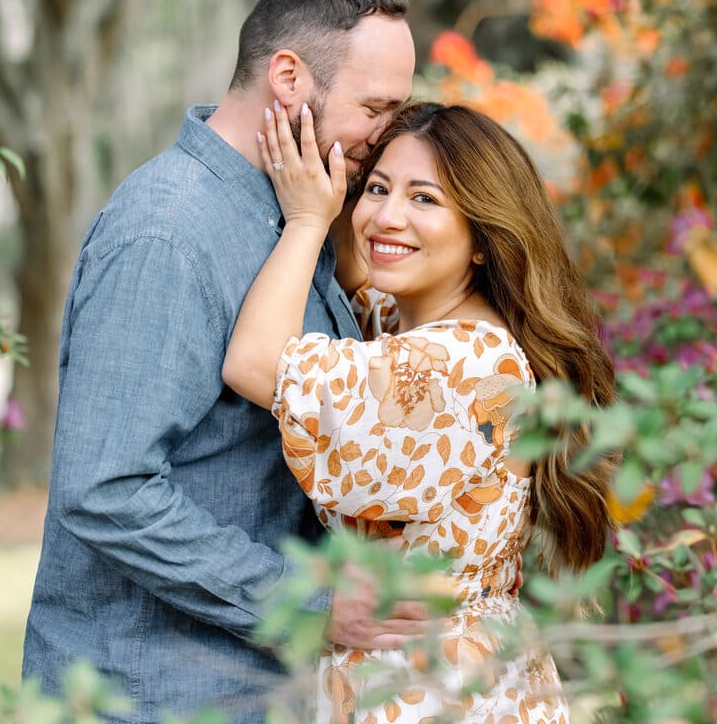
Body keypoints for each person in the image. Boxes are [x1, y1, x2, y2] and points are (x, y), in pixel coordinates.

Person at [22, 0, 420, 724]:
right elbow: (105, 488)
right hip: (146, 696)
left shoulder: (295, 214)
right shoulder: (168, 233)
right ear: (289, 78)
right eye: (377, 106)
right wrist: (306, 603)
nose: (389, 131)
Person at [222, 101, 618, 722]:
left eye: (426, 199)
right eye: (377, 188)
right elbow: (360, 259)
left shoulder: (460, 365)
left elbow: (252, 364)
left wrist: (305, 218)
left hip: (439, 688)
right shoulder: (408, 324)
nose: (388, 215)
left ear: (484, 240)